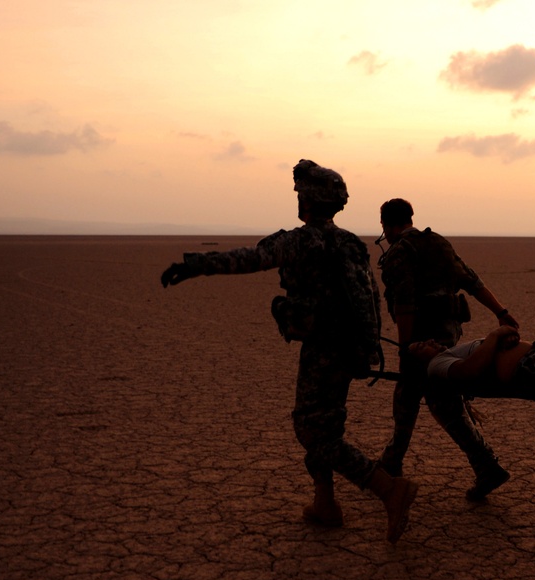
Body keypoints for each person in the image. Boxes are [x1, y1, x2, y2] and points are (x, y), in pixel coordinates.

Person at [160, 159, 418, 543]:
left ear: (309, 202)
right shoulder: (350, 243)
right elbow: (369, 297)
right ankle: (325, 503)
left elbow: (249, 259)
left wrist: (196, 265)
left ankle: (387, 489)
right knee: (324, 423)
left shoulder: (300, 241)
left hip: (324, 349)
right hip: (349, 349)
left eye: (301, 195)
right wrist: (368, 349)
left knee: (313, 430)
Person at [376, 198, 519, 501]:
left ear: (387, 225)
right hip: (448, 335)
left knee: (441, 403)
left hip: (423, 342)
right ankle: (392, 461)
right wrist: (501, 311)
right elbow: (472, 281)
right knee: (410, 396)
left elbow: (404, 305)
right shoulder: (437, 243)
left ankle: (486, 466)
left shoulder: (400, 253)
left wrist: (405, 348)